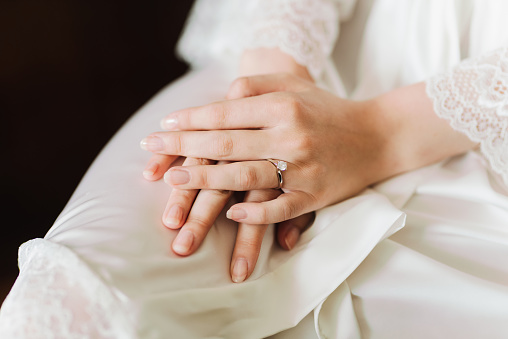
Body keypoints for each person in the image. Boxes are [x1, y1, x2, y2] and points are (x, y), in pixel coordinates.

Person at [1, 0, 508, 338]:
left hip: (484, 153)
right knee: (71, 306)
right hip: (308, 51)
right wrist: (274, 87)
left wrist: (377, 135)